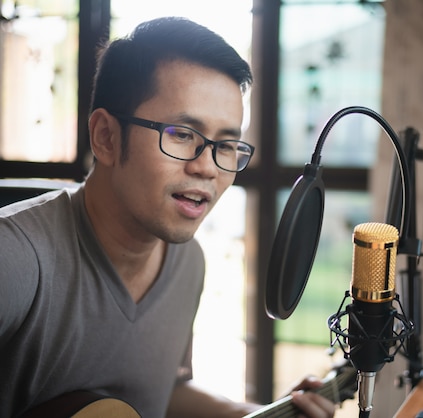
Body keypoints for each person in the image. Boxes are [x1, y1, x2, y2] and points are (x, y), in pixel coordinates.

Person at [0, 16, 336, 418]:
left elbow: (162, 393)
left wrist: (258, 413)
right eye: (181, 134)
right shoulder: (15, 259)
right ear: (106, 137)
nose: (208, 168)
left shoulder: (188, 262)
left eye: (227, 144)